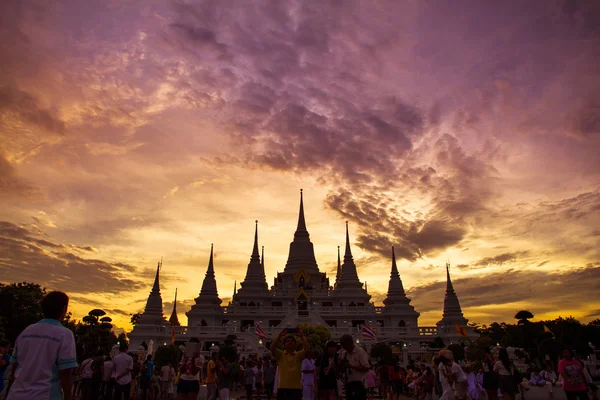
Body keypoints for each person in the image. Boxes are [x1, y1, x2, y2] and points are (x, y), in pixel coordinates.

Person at [6, 291, 77, 400]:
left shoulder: (26, 332)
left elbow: (14, 368)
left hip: (16, 394)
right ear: (64, 309)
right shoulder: (65, 334)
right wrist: (68, 396)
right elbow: (65, 372)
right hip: (45, 394)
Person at [270, 327, 310, 400]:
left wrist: (302, 336)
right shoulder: (280, 355)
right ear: (284, 345)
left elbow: (307, 349)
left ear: (295, 345)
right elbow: (272, 347)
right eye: (287, 341)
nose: (290, 342)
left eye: (292, 341)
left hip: (296, 388)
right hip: (282, 388)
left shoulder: (299, 355)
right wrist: (279, 335)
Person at [339, 334, 369, 400]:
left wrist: (352, 366)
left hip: (359, 384)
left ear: (351, 343)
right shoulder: (344, 353)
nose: (345, 348)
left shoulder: (360, 352)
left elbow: (366, 368)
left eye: (346, 346)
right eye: (343, 347)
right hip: (348, 383)